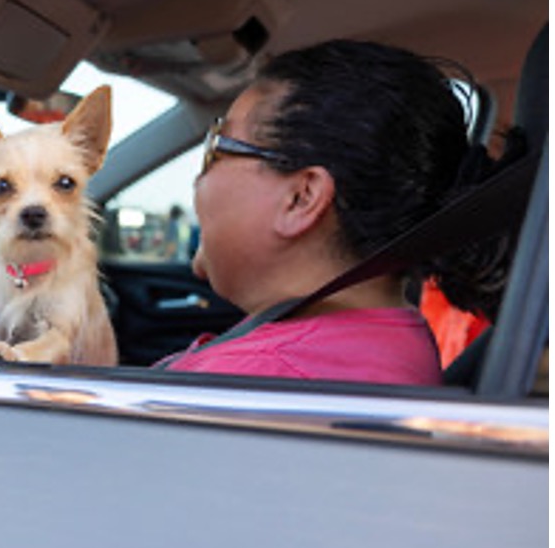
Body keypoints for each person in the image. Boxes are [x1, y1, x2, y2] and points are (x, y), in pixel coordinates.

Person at [156, 39, 509, 384]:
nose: (198, 180)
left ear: (301, 197)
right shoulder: (387, 340)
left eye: (216, 149)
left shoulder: (255, 380)